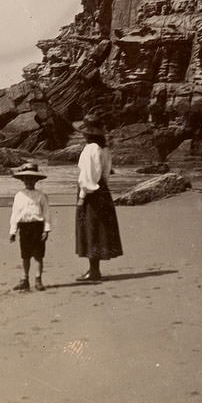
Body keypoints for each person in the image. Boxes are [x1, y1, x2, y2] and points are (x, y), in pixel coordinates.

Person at [73, 113, 122, 282]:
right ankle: (95, 269)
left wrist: (82, 196)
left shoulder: (90, 149)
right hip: (102, 190)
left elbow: (88, 176)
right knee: (98, 229)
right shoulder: (104, 149)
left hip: (91, 193)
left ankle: (93, 271)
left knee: (91, 229)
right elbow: (105, 173)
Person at [8, 162, 51, 291]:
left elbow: (47, 213)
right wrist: (13, 231)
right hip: (24, 227)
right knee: (25, 255)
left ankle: (38, 279)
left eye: (32, 179)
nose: (29, 181)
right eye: (26, 178)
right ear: (22, 180)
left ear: (36, 180)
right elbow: (15, 214)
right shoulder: (19, 196)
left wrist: (46, 229)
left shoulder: (41, 196)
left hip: (37, 227)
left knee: (38, 255)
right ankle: (25, 279)